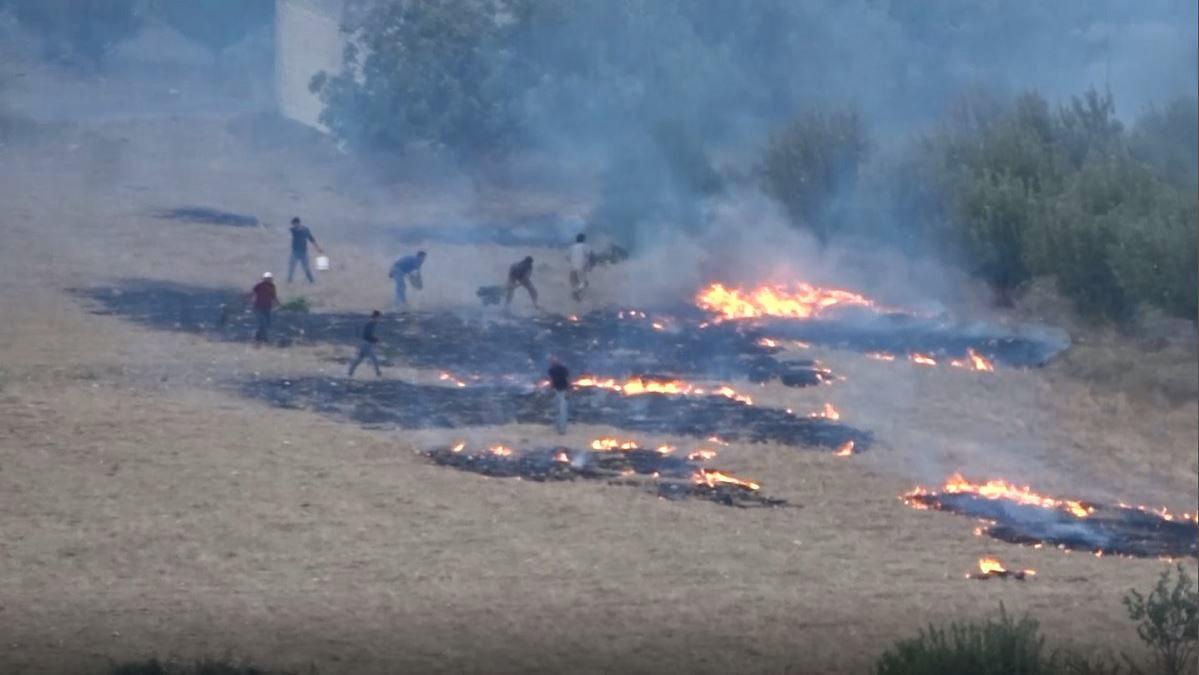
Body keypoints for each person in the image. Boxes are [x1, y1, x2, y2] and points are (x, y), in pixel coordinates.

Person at [287, 217, 324, 284]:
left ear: (298, 223)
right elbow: (290, 229)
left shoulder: (305, 230)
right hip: (295, 251)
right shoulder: (294, 230)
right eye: (293, 225)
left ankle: (312, 281)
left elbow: (311, 239)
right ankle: (289, 281)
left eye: (295, 224)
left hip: (303, 252)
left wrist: (318, 248)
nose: (294, 226)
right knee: (291, 267)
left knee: (306, 268)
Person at [348, 310, 383, 378]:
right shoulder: (371, 323)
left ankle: (350, 372)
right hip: (367, 344)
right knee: (374, 358)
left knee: (359, 359)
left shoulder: (372, 323)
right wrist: (375, 339)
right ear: (376, 316)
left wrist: (374, 339)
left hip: (365, 343)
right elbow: (367, 335)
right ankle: (378, 374)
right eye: (379, 317)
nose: (380, 319)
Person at [247, 272, 279, 345]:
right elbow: (252, 293)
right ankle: (264, 339)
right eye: (267, 278)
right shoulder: (259, 285)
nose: (269, 280)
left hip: (268, 307)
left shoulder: (272, 286)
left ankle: (257, 338)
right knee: (262, 323)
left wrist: (278, 304)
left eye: (270, 278)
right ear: (264, 279)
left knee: (267, 324)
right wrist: (248, 302)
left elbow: (274, 296)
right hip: (258, 307)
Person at [547, 356, 570, 435]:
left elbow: (568, 380)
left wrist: (568, 391)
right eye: (551, 361)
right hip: (556, 391)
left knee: (562, 410)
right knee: (558, 409)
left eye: (553, 361)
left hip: (563, 391)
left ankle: (562, 429)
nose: (552, 363)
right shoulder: (551, 370)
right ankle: (558, 427)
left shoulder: (563, 369)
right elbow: (551, 380)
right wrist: (551, 390)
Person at [568, 233, 590, 302]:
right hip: (580, 268)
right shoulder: (585, 246)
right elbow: (590, 256)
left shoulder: (572, 247)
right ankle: (575, 293)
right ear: (583, 239)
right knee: (585, 283)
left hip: (572, 269)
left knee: (575, 284)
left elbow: (567, 257)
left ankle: (577, 303)